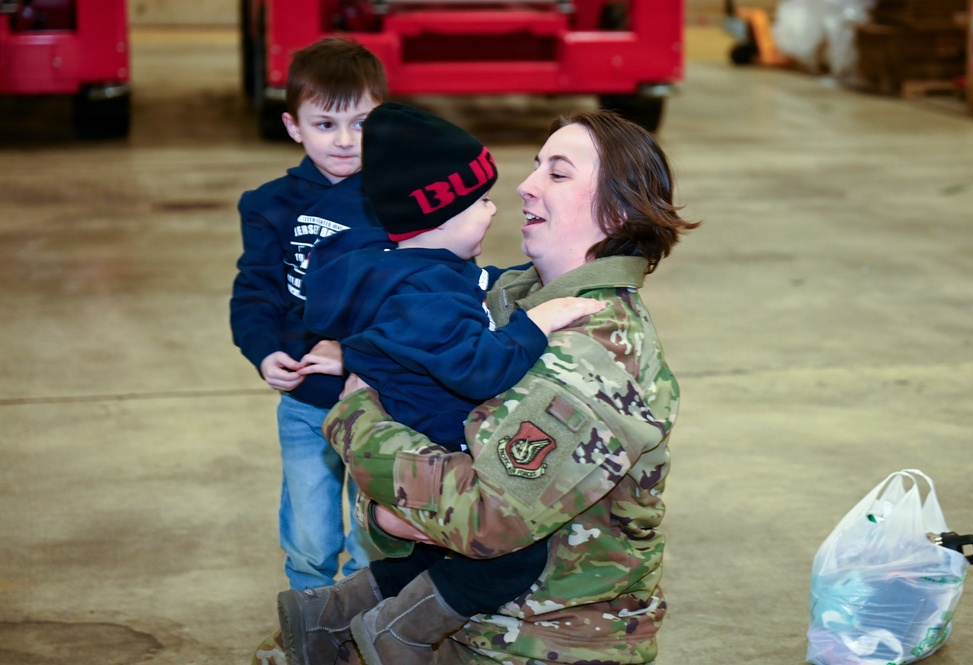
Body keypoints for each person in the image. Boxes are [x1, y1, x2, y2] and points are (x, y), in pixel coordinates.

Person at [278, 106, 701, 665]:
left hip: (531, 644)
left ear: (617, 211)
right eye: (534, 166)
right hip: (469, 621)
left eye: (557, 172)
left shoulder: (594, 350)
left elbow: (482, 521)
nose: (524, 187)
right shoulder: (504, 298)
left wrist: (356, 415)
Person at [229, 37, 387, 600]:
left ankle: (369, 628)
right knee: (311, 533)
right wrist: (263, 350)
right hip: (305, 402)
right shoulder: (270, 204)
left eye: (362, 123)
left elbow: (430, 294)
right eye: (326, 125)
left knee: (379, 532)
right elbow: (255, 290)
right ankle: (310, 624)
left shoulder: (401, 203)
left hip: (384, 398)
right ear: (294, 126)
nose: (345, 141)